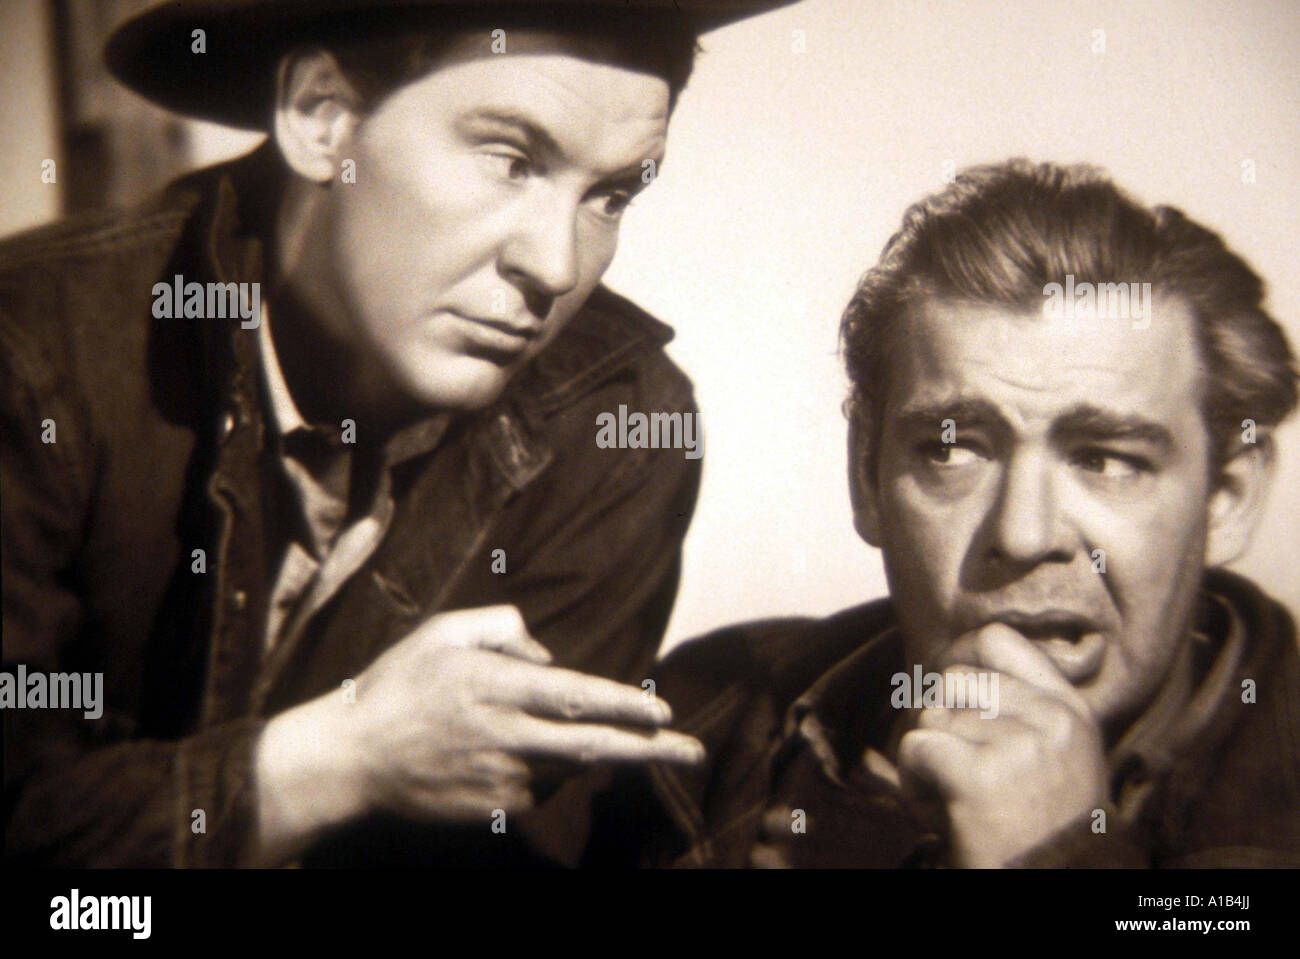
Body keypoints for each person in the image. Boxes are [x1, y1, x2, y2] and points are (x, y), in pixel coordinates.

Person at [1, 0, 797, 868]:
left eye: (610, 196)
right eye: (512, 160)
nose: (556, 264)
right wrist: (336, 759)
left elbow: (497, 858)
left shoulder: (619, 426)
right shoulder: (34, 355)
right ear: (321, 117)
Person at [595, 159, 1300, 868]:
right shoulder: (702, 720)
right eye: (951, 450)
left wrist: (1062, 855)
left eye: (1106, 460)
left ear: (1228, 498)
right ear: (866, 477)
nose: (1023, 535)